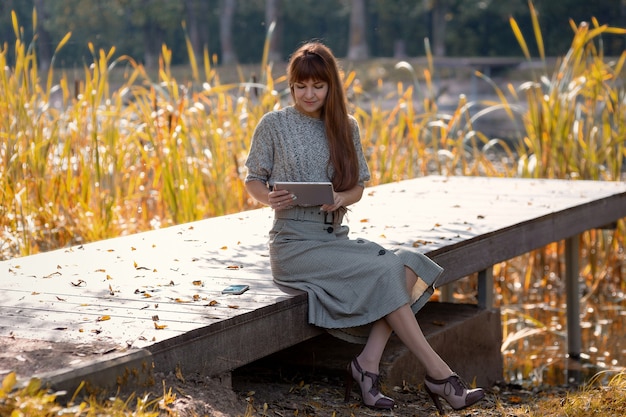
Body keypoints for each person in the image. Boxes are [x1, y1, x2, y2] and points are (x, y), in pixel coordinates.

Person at [244, 40, 485, 414]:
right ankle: (439, 373)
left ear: (331, 87)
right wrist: (268, 197)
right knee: (390, 269)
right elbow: (253, 180)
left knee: (406, 263)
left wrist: (341, 199)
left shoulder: (346, 126)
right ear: (290, 85)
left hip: (335, 236)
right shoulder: (273, 124)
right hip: (293, 244)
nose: (309, 94)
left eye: (318, 86)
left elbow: (359, 186)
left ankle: (367, 365)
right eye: (301, 86)